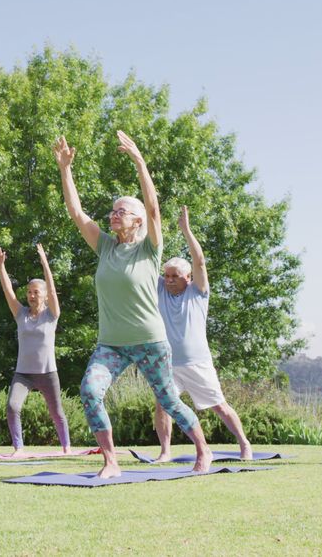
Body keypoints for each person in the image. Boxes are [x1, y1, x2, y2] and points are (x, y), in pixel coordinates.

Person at [53, 131, 213, 478]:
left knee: (169, 401)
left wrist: (140, 161)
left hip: (150, 342)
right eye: (112, 211)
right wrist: (66, 169)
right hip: (110, 344)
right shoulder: (106, 247)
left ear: (137, 221)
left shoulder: (149, 249)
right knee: (89, 390)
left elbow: (154, 208)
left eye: (121, 212)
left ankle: (203, 449)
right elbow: (77, 214)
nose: (113, 215)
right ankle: (111, 461)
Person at [153, 205, 253, 462]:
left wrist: (186, 231)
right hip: (168, 363)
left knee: (219, 405)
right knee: (162, 405)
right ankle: (165, 452)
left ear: (188, 277)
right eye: (167, 276)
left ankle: (244, 444)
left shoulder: (197, 292)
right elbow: (148, 261)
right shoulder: (161, 290)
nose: (170, 280)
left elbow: (199, 261)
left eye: (175, 276)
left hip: (197, 362)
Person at [0, 243, 71, 456]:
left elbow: (53, 290)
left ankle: (66, 448)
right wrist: (0, 267)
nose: (31, 295)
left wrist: (45, 263)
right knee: (12, 407)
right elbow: (8, 291)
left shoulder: (51, 314)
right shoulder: (21, 314)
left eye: (36, 292)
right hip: (23, 373)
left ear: (44, 295)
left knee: (57, 413)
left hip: (47, 373)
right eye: (28, 292)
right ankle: (18, 448)